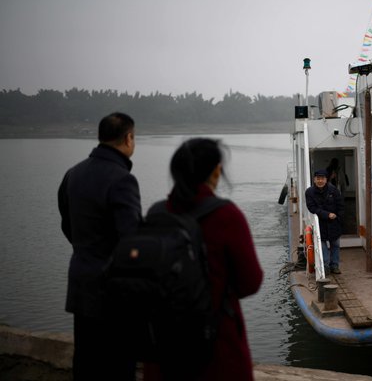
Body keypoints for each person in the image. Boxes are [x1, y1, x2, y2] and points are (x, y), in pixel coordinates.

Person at [143, 138, 263, 381]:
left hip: (162, 349)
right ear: (217, 170)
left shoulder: (156, 214)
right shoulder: (226, 215)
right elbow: (250, 282)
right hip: (217, 348)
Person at [57, 112, 142, 381]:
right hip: (115, 296)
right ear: (128, 138)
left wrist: (88, 253)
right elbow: (132, 243)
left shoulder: (73, 174)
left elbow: (67, 226)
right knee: (118, 368)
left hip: (82, 287)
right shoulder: (122, 180)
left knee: (86, 365)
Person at [305, 169, 344, 274]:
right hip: (320, 224)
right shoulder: (309, 192)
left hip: (334, 223)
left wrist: (339, 219)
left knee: (335, 245)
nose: (320, 181)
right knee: (322, 246)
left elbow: (340, 205)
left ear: (326, 180)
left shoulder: (333, 190)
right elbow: (312, 208)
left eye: (322, 178)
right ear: (314, 179)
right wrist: (327, 215)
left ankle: (335, 266)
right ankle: (325, 266)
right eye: (318, 178)